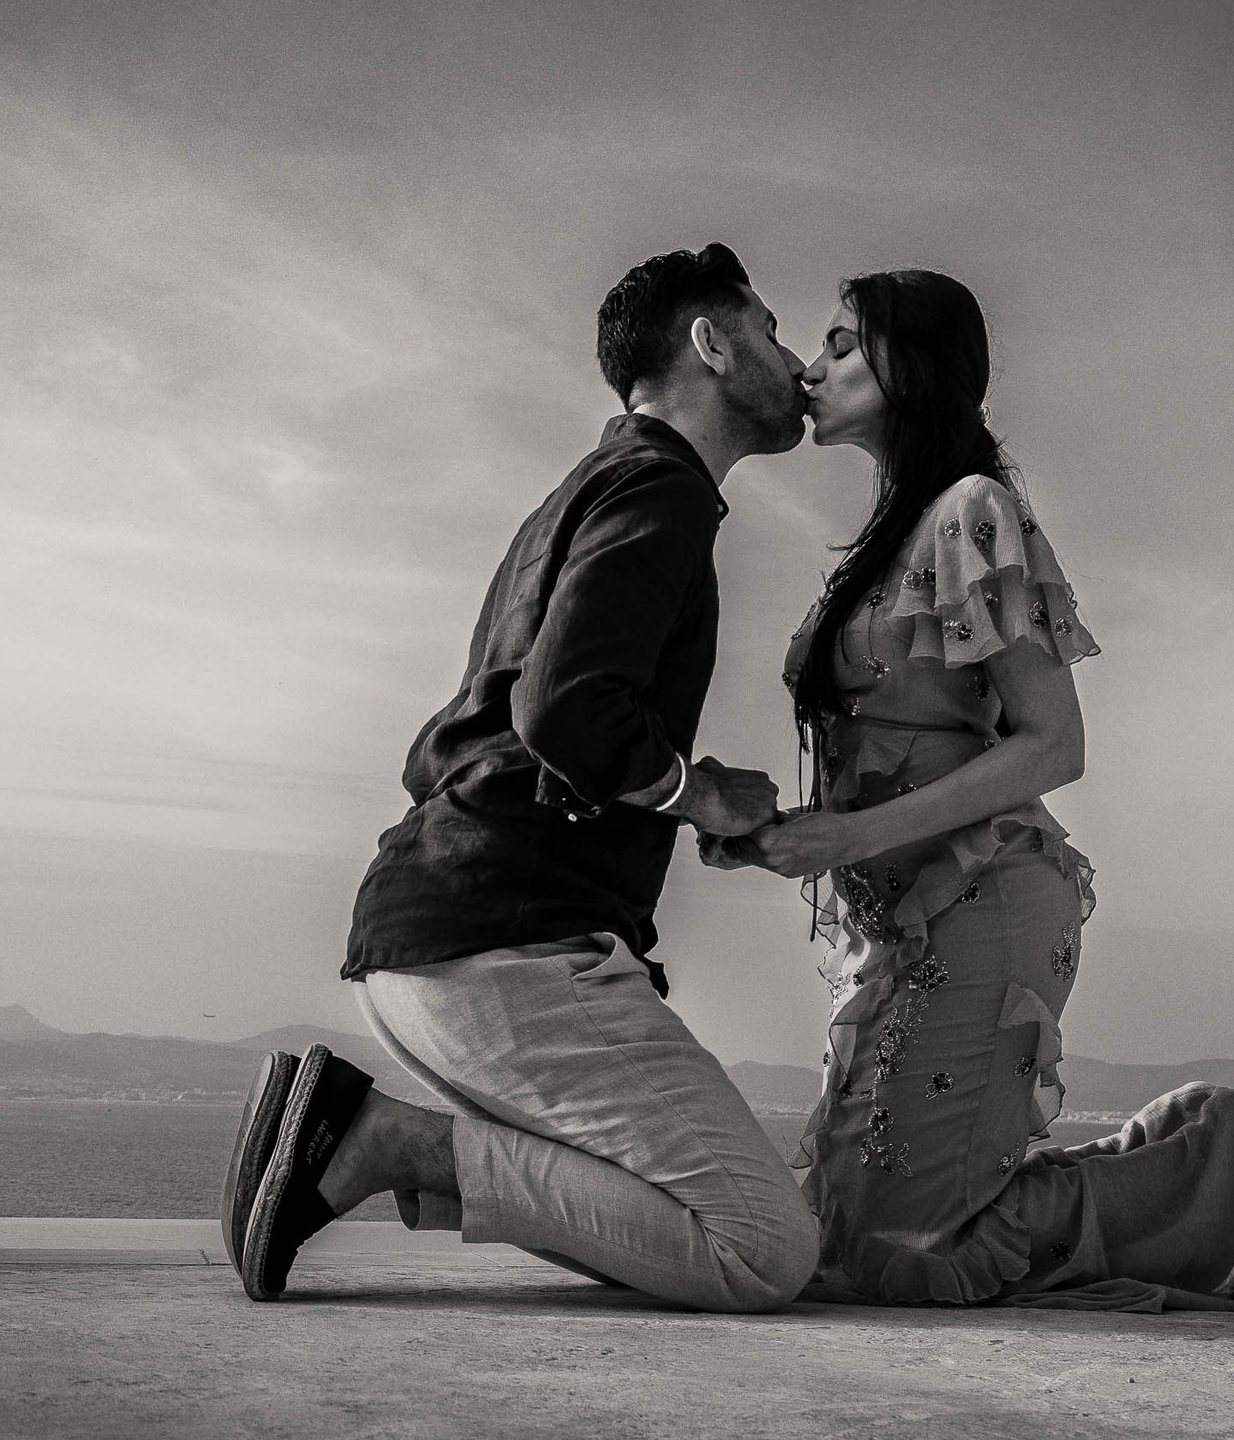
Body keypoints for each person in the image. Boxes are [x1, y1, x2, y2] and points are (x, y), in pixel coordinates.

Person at [714, 268, 1234, 1311]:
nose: (808, 369)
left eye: (837, 345)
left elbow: (1054, 745)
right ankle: (1196, 1144)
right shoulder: (882, 543)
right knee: (845, 1241)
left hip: (985, 902)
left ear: (909, 369)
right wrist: (779, 833)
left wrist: (847, 836)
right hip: (898, 918)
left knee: (905, 1256)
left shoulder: (971, 511)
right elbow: (898, 743)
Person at [227, 244, 823, 1312]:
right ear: (713, 344)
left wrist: (677, 793)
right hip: (506, 951)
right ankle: (381, 1141)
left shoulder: (583, 490)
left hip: (428, 945)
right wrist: (697, 794)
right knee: (760, 1248)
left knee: (660, 1217)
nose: (796, 363)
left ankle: (378, 1136)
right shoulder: (660, 485)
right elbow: (560, 712)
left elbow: (524, 718)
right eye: (773, 331)